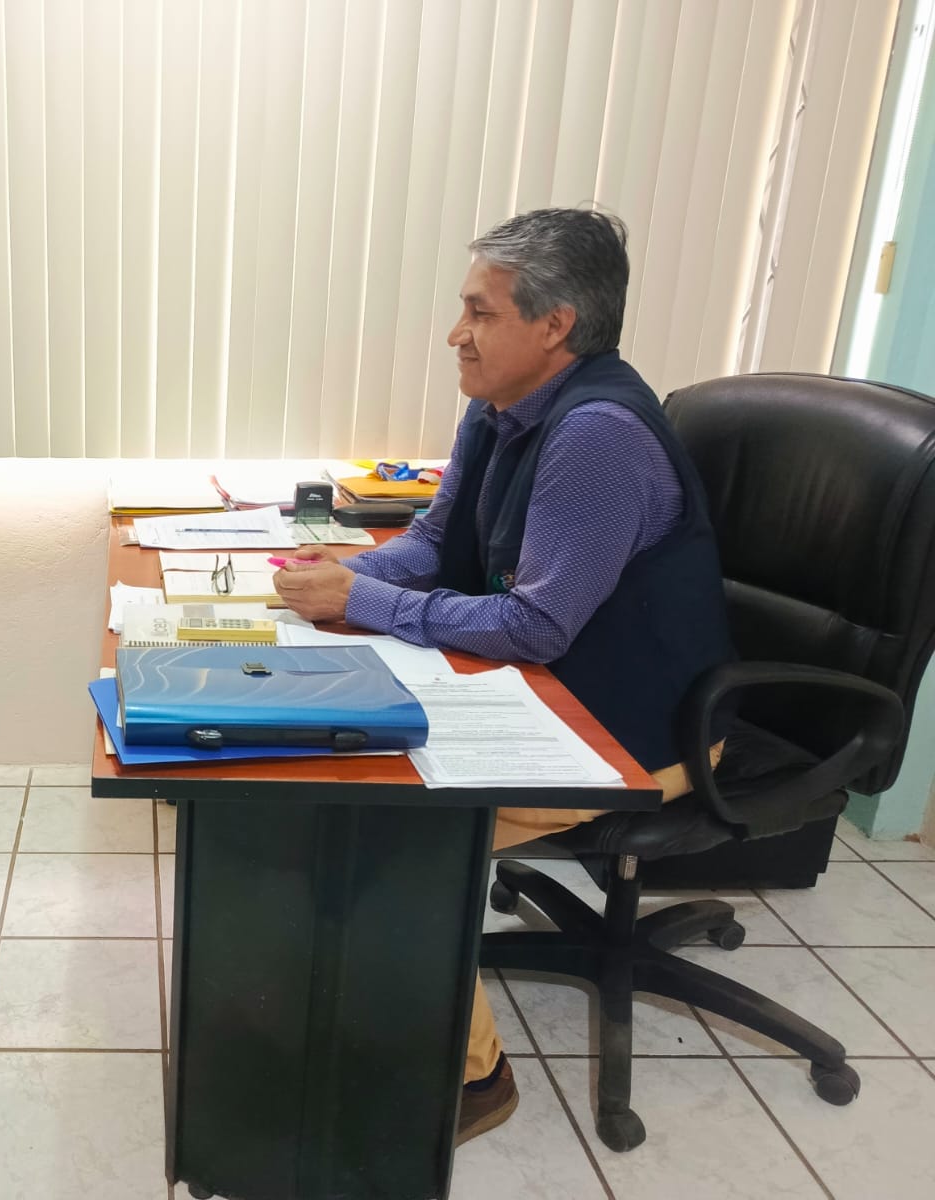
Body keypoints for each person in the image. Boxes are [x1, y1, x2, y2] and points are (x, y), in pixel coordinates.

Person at [273, 208, 732, 1144]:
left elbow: (535, 623)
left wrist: (360, 601)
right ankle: (365, 999)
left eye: (480, 313)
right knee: (330, 773)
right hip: (551, 694)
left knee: (385, 828)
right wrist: (344, 578)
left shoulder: (597, 436)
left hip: (636, 729)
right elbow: (437, 543)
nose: (457, 333)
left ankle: (471, 1078)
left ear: (555, 325)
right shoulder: (500, 407)